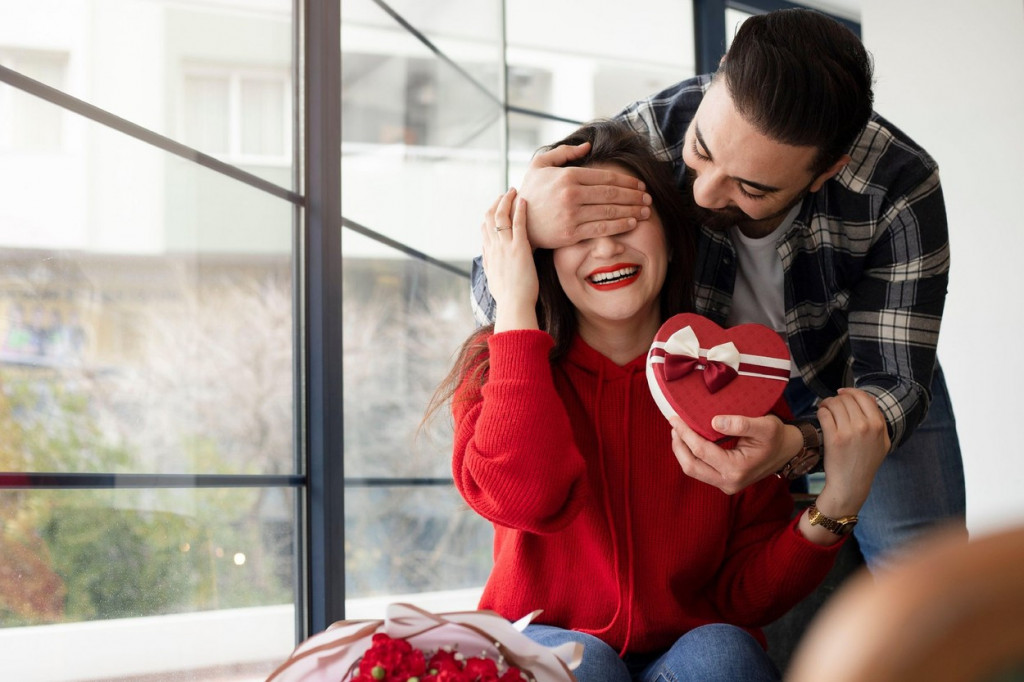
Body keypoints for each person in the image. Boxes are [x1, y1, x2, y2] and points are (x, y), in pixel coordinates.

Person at [470, 8, 966, 571]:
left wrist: (796, 445)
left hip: (847, 374)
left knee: (928, 578)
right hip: (697, 382)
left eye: (750, 187)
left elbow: (894, 385)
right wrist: (528, 227)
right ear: (723, 68)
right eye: (702, 151)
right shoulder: (648, 136)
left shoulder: (899, 186)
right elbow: (493, 304)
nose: (703, 193)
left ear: (827, 171)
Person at [430, 119, 888, 682]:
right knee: (585, 663)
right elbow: (527, 499)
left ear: (672, 239)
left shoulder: (736, 376)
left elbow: (744, 601)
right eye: (576, 231)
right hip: (542, 641)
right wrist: (516, 305)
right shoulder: (497, 362)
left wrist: (840, 500)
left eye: (628, 222)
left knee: (725, 654)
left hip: (690, 656)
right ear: (541, 252)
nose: (605, 247)